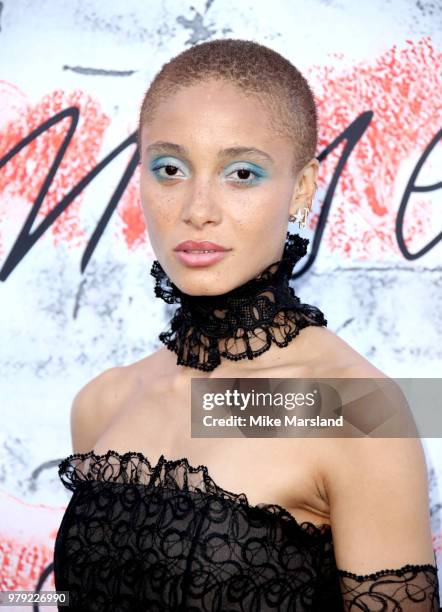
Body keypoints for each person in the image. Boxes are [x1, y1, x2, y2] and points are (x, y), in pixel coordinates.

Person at [53, 39, 440, 611]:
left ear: (302, 188)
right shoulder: (104, 402)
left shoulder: (355, 408)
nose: (198, 207)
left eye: (241, 172)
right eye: (170, 168)